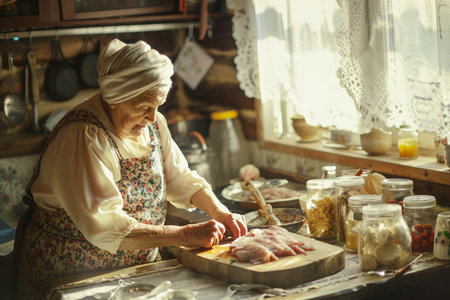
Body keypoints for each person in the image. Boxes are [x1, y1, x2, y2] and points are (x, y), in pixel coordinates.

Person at [16, 39, 247, 299]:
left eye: (157, 105)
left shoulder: (153, 124)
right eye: (142, 107)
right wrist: (183, 234)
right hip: (74, 272)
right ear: (115, 99)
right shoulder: (84, 136)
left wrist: (220, 210)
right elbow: (105, 224)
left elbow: (179, 177)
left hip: (136, 269)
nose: (152, 117)